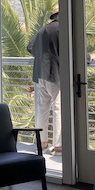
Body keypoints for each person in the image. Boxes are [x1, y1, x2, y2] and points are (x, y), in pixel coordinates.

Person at [27, 10, 61, 155]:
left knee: (42, 108)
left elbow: (30, 47)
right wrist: (88, 57)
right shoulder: (63, 29)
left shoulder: (43, 29)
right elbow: (72, 50)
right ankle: (59, 146)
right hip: (56, 75)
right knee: (59, 109)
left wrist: (44, 56)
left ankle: (42, 142)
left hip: (41, 74)